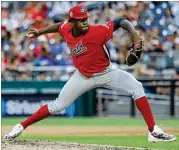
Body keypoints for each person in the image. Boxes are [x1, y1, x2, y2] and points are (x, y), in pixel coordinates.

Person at [3, 5, 177, 143]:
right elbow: (59, 26)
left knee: (137, 87)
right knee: (58, 106)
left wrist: (134, 35)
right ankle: (20, 126)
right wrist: (40, 32)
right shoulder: (66, 29)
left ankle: (153, 130)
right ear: (72, 22)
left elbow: (121, 21)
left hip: (106, 72)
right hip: (82, 76)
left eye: (85, 18)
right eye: (80, 20)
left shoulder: (97, 31)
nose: (85, 22)